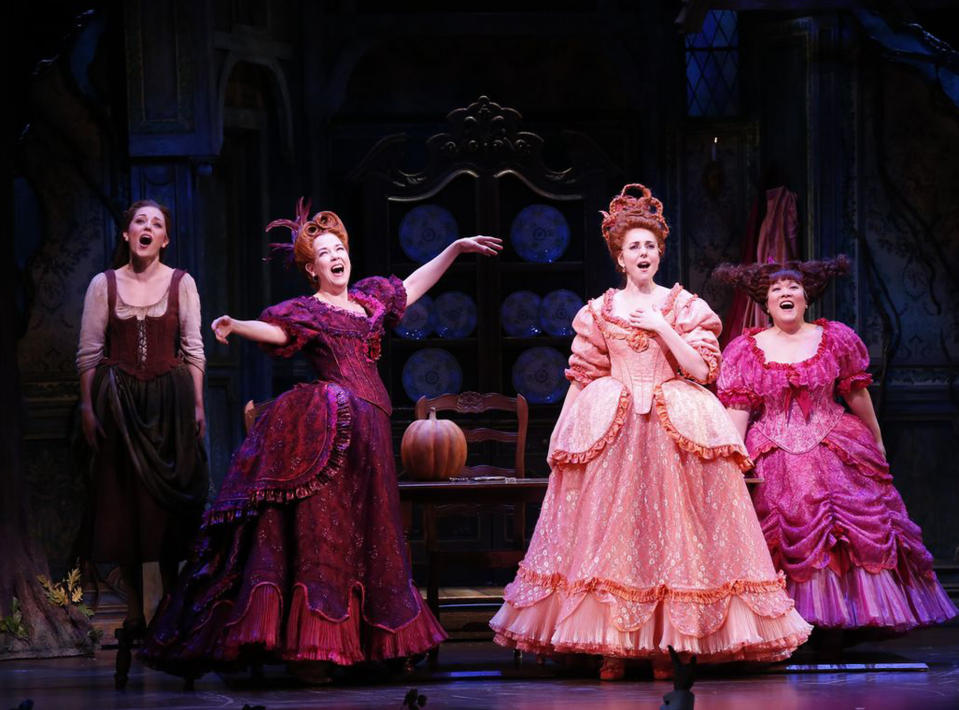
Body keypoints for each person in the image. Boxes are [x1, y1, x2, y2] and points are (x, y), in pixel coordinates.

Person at [140, 199, 501, 681]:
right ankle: (315, 651)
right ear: (312, 268)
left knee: (372, 539)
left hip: (374, 437)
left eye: (340, 248)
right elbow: (275, 330)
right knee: (327, 538)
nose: (337, 256)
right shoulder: (309, 311)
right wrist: (237, 326)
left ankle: (371, 647)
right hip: (332, 440)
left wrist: (454, 249)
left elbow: (411, 286)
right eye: (326, 252)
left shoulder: (370, 302)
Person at [489, 184, 811, 681]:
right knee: (609, 533)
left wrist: (662, 328)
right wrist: (559, 434)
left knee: (671, 533)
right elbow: (583, 375)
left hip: (672, 426)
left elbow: (702, 370)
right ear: (620, 257)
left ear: (660, 254)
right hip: (610, 428)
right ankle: (612, 644)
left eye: (649, 246)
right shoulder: (599, 310)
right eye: (633, 246)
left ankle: (669, 643)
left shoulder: (685, 307)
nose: (642, 253)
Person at [715, 257, 957, 646]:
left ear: (806, 297)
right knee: (779, 529)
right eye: (776, 289)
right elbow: (738, 410)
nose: (785, 293)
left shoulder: (835, 339)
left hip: (834, 441)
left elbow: (856, 392)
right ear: (766, 303)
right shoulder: (746, 349)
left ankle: (842, 621)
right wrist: (733, 460)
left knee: (847, 527)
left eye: (792, 286)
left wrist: (876, 441)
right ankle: (783, 626)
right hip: (773, 448)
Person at [76, 199, 209, 640]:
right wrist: (88, 407)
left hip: (169, 406)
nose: (146, 228)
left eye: (156, 224)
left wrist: (197, 404)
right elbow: (89, 353)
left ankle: (171, 603)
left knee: (169, 510)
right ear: (127, 234)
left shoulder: (181, 283)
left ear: (165, 239)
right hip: (119, 406)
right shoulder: (104, 284)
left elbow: (193, 349)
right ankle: (134, 612)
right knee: (126, 508)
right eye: (139, 222)